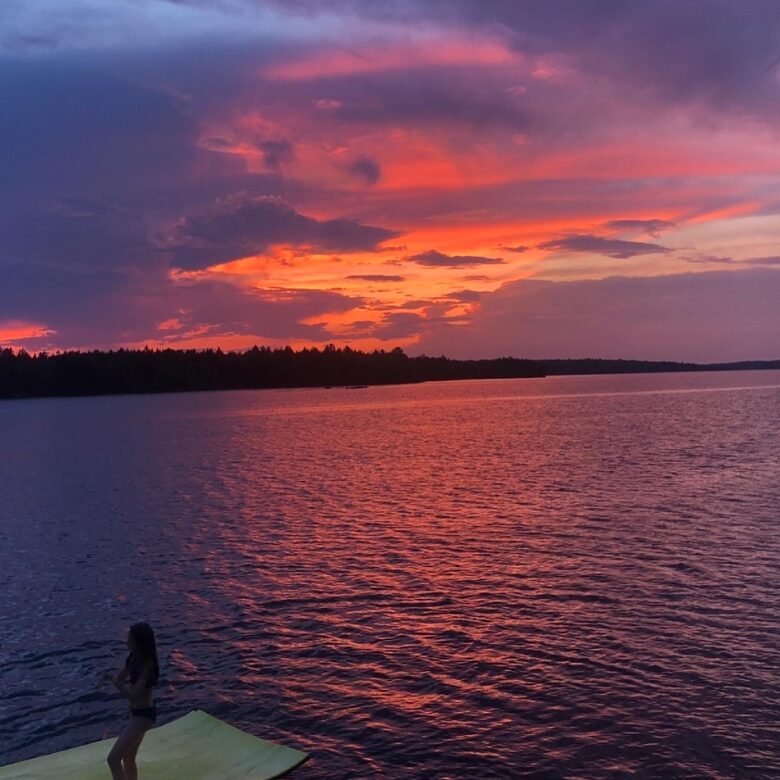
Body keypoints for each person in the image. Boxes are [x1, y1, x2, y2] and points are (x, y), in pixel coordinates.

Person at [101, 622, 160, 780]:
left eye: (130, 640)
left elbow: (134, 695)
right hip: (136, 714)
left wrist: (117, 683)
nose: (127, 642)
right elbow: (121, 677)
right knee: (128, 757)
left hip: (144, 716)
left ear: (139, 642)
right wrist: (110, 678)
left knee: (113, 759)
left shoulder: (148, 666)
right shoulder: (133, 657)